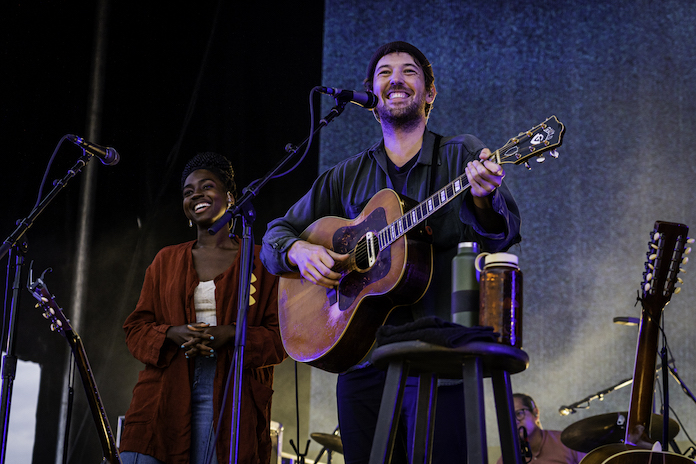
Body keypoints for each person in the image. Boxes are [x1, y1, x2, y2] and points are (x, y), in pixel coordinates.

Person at [261, 41, 521, 463]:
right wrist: (299, 253)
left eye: (409, 72)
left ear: (429, 93)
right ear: (372, 95)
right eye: (384, 73)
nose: (395, 79)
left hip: (442, 360)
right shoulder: (346, 175)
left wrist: (481, 199)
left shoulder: (462, 155)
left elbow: (503, 236)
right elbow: (276, 234)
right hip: (363, 359)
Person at [120, 152, 286, 464]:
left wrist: (231, 335)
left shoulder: (263, 262)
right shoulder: (165, 260)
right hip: (163, 400)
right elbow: (135, 330)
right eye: (188, 191)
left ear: (231, 198)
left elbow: (283, 340)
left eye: (207, 186)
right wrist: (171, 333)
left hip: (230, 404)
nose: (196, 193)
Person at [500, 393, 586, 464]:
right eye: (509, 417)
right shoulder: (507, 458)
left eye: (519, 413)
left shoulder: (566, 442)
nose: (515, 421)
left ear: (535, 413)